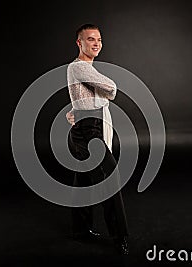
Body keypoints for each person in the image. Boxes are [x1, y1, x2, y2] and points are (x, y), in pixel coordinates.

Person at [66, 24, 129, 255]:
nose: (96, 44)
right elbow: (111, 88)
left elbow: (84, 101)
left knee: (83, 179)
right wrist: (102, 98)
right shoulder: (79, 66)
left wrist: (77, 110)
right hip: (88, 129)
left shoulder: (83, 70)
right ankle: (120, 236)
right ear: (79, 43)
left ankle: (80, 230)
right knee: (110, 179)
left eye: (99, 40)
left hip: (88, 125)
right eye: (90, 39)